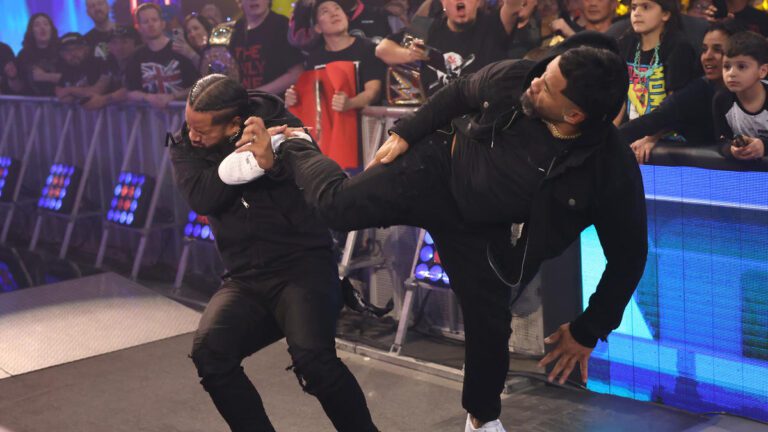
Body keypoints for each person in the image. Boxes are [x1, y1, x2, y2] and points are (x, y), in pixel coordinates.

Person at [228, 32, 647, 432]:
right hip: (435, 167)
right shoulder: (517, 76)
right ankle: (295, 143)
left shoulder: (611, 170)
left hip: (481, 226)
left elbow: (629, 256)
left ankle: (482, 419)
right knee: (335, 207)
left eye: (548, 87)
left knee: (490, 323)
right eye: (544, 72)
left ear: (574, 115)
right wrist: (406, 131)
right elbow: (460, 92)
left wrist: (588, 330)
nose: (535, 82)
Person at [168, 74, 378, 432]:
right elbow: (202, 197)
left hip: (303, 266)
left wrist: (275, 165)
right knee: (211, 353)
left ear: (234, 123)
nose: (192, 136)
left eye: (201, 130)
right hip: (245, 277)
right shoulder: (186, 144)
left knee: (315, 362)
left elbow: (310, 174)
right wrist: (253, 162)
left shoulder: (282, 124)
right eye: (189, 125)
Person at [620, 21, 741, 162]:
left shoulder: (758, 89)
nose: (707, 56)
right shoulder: (698, 89)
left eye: (718, 50)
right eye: (704, 49)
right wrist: (609, 136)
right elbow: (660, 116)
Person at [375, 0, 527, 96]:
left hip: (481, 120)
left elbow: (514, 5)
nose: (460, 2)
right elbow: (382, 49)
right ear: (443, 3)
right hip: (437, 121)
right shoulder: (427, 30)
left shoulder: (493, 25)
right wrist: (410, 54)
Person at [285, 0, 388, 111]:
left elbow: (373, 92)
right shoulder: (314, 59)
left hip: (366, 119)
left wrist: (350, 103)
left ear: (346, 17)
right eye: (325, 11)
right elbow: (311, 99)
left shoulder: (368, 48)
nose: (334, 14)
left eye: (337, 8)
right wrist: (294, 99)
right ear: (318, 28)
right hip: (329, 120)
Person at [616, 0, 699, 125]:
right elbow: (620, 98)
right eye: (633, 8)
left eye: (645, 7)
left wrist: (650, 136)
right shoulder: (626, 43)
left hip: (669, 133)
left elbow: (675, 105)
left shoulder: (679, 47)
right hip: (633, 130)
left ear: (665, 14)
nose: (637, 13)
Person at [125, 3, 200, 109]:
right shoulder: (136, 56)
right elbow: (130, 92)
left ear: (162, 23)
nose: (151, 24)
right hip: (150, 117)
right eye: (146, 21)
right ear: (139, 28)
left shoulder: (180, 49)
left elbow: (197, 86)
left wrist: (172, 97)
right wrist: (149, 97)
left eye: (154, 20)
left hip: (182, 114)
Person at [713, 30, 768, 160]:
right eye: (727, 66)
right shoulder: (722, 99)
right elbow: (721, 140)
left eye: (742, 66)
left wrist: (764, 146)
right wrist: (731, 150)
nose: (731, 73)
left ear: (762, 71)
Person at [229, 0, 303, 94]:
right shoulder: (234, 30)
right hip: (243, 100)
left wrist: (257, 94)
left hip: (276, 100)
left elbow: (296, 73)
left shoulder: (281, 25)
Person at [82, 25, 142, 110]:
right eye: (114, 42)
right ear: (108, 46)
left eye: (124, 42)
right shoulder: (110, 62)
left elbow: (130, 90)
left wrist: (103, 100)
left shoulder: (140, 62)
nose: (119, 47)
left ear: (135, 43)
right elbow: (99, 87)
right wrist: (71, 91)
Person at [54, 32, 110, 104]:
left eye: (77, 48)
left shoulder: (98, 64)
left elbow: (97, 91)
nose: (73, 53)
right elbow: (60, 93)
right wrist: (78, 93)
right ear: (62, 54)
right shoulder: (66, 68)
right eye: (67, 50)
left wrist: (70, 90)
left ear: (86, 49)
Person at [16, 13, 60, 96]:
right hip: (31, 102)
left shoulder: (62, 50)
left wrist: (45, 76)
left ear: (51, 29)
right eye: (37, 25)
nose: (42, 28)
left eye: (46, 24)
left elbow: (71, 78)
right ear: (31, 31)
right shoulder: (23, 55)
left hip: (61, 101)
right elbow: (19, 84)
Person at [549, 0, 617, 37]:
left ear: (614, 4)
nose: (593, 3)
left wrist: (572, 37)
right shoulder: (565, 34)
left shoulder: (621, 36)